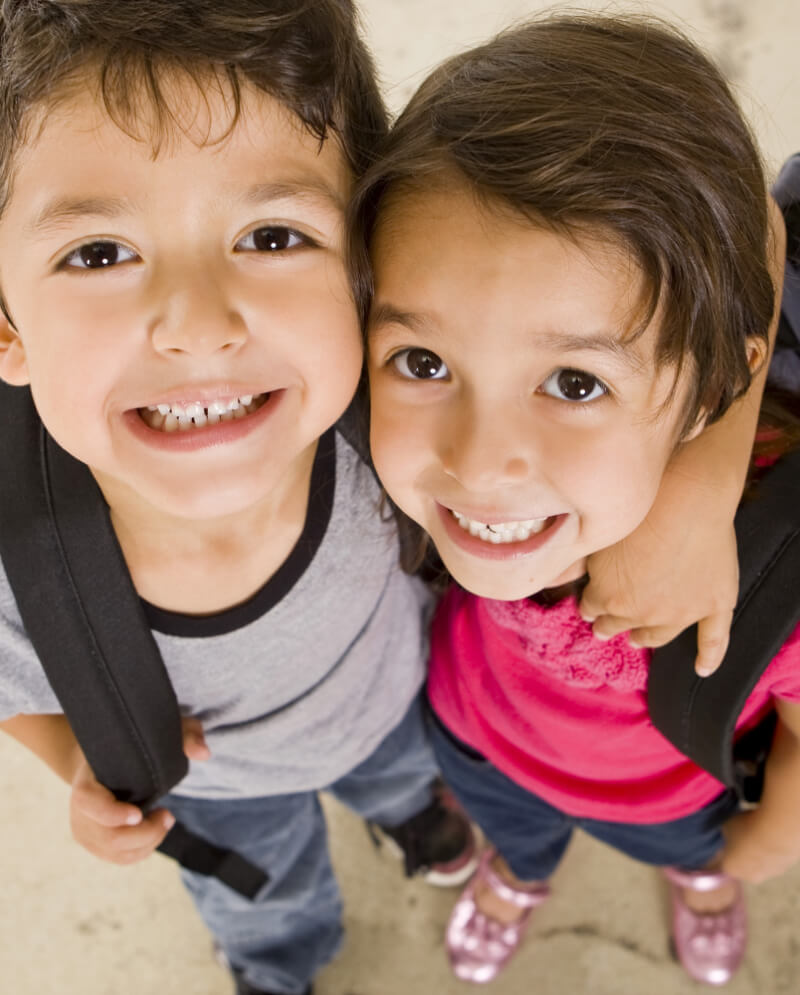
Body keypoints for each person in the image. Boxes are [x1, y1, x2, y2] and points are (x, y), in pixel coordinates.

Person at [0, 4, 480, 995]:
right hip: (218, 788)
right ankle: (279, 967)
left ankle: (407, 813)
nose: (198, 324)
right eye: (97, 252)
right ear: (7, 326)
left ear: (365, 268)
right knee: (269, 898)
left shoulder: (395, 417)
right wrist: (77, 767)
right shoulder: (16, 562)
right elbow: (13, 691)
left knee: (398, 770)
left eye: (271, 233)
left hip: (386, 697)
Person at [352, 13, 800, 987]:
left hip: (671, 798)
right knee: (513, 833)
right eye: (422, 360)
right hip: (473, 728)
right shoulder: (356, 415)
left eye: (573, 382)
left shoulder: (771, 576)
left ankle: (699, 887)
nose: (481, 463)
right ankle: (516, 873)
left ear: (715, 388)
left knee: (696, 859)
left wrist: (760, 847)